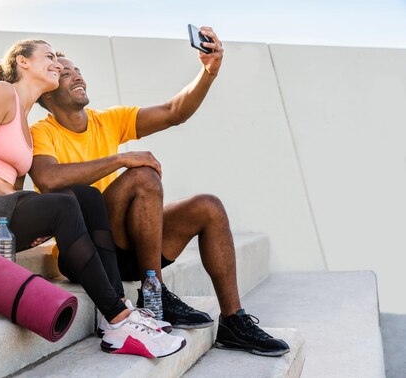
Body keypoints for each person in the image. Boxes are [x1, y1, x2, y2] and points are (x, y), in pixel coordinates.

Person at [29, 27, 290, 357]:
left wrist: (209, 71)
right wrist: (121, 158)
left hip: (129, 243)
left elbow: (173, 112)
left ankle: (233, 322)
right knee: (141, 176)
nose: (77, 77)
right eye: (65, 74)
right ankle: (154, 293)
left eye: (78, 70)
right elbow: (48, 177)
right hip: (86, 249)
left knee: (208, 207)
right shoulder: (41, 132)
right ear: (47, 93)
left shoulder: (107, 120)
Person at [0, 39, 185, 358]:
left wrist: (27, 214)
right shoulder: (0, 93)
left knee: (87, 196)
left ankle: (118, 308)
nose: (57, 63)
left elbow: (15, 182)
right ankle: (119, 321)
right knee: (64, 203)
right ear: (23, 62)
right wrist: (15, 199)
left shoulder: (25, 120)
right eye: (49, 57)